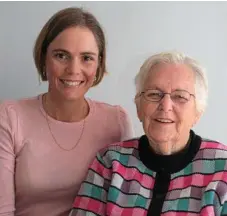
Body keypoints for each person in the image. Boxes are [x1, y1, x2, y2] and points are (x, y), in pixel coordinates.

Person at [0, 7, 134, 216]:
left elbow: (121, 204)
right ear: (44, 57)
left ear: (99, 65)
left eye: (87, 58)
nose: (73, 69)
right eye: (62, 56)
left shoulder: (116, 120)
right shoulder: (9, 116)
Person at [70, 51, 227, 216]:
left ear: (198, 112)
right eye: (154, 94)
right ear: (138, 107)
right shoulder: (110, 162)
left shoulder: (222, 168)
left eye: (180, 96)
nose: (165, 106)